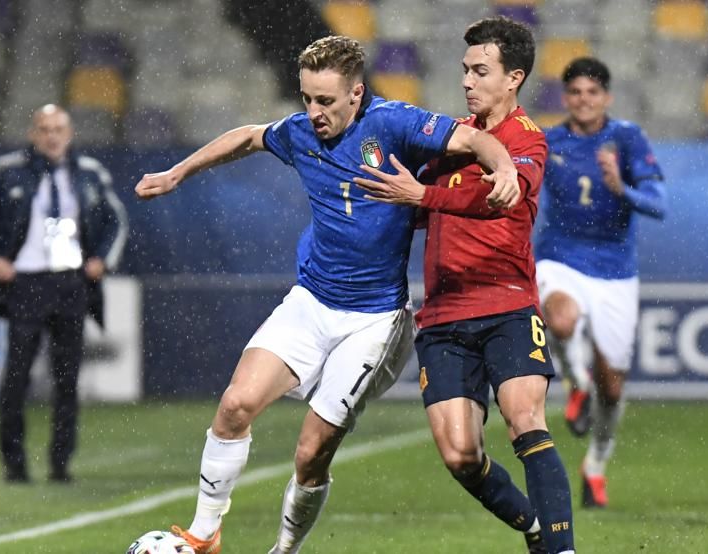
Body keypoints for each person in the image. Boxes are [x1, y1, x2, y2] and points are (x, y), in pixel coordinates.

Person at [134, 35, 522, 554]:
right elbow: (248, 137)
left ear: (356, 94)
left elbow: (476, 141)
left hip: (372, 321)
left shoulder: (393, 123)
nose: (313, 113)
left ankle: (285, 550)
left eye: (326, 101)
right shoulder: (299, 133)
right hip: (312, 301)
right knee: (234, 405)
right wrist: (178, 172)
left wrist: (506, 168)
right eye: (307, 99)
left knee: (310, 454)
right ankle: (204, 535)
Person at [353, 17, 574, 554]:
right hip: (445, 315)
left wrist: (422, 198)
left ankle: (562, 551)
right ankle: (535, 529)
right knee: (460, 455)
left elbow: (501, 199)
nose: (468, 82)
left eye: (481, 71)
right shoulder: (451, 140)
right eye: (465, 71)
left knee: (526, 420)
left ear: (513, 78)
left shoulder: (527, 140)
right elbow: (410, 199)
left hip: (507, 305)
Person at [0, 104, 129, 483]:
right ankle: (15, 463)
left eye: (58, 128)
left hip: (71, 283)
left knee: (67, 379)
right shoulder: (7, 171)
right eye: (44, 129)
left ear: (69, 134)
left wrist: (103, 259)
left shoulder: (88, 173)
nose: (51, 136)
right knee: (16, 378)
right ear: (32, 134)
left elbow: (116, 219)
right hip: (25, 283)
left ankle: (60, 463)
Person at [535, 57, 667, 508]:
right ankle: (577, 382)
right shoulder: (550, 140)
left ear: (606, 97)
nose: (583, 100)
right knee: (562, 319)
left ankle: (595, 466)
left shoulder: (626, 138)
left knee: (614, 388)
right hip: (561, 257)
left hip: (615, 271)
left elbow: (659, 202)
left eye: (592, 92)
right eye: (575, 92)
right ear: (565, 97)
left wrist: (621, 188)